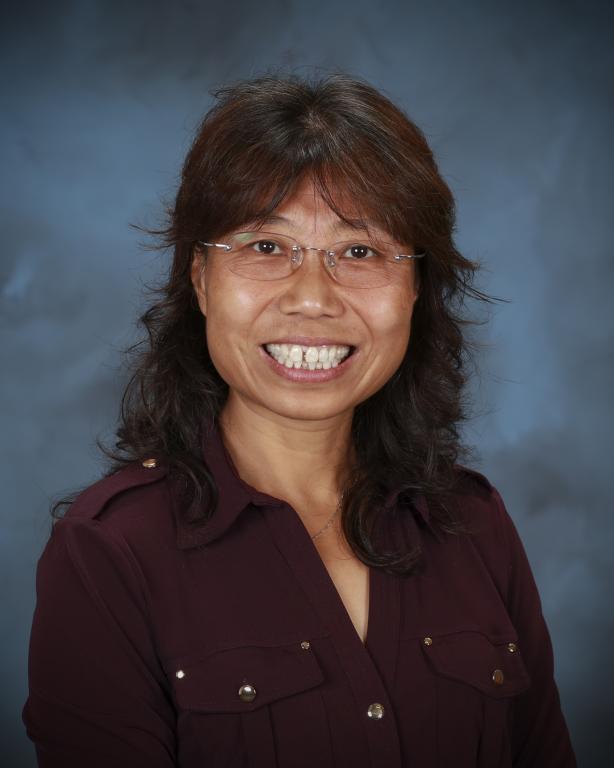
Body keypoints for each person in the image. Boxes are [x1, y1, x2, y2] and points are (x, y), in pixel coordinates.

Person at [22, 71, 577, 767]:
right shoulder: (109, 554)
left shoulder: (474, 524)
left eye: (360, 251)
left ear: (416, 289)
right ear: (199, 278)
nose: (312, 298)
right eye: (264, 247)